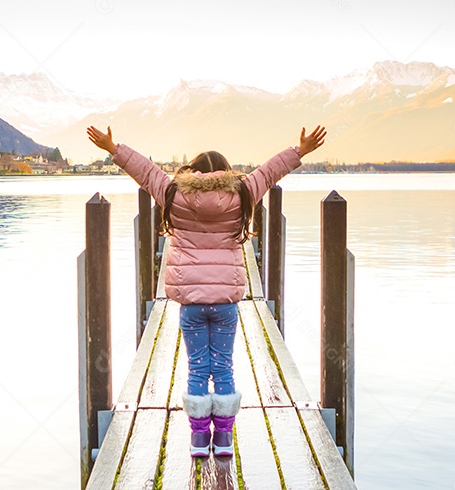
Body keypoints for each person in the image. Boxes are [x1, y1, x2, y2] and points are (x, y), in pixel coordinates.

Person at [87, 125, 327, 458]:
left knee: (198, 367)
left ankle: (200, 440)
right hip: (227, 303)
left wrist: (113, 147)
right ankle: (225, 440)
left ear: (193, 171)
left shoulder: (173, 194)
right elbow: (271, 172)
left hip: (192, 305)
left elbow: (144, 172)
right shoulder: (241, 194)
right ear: (226, 172)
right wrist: (299, 151)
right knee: (224, 367)